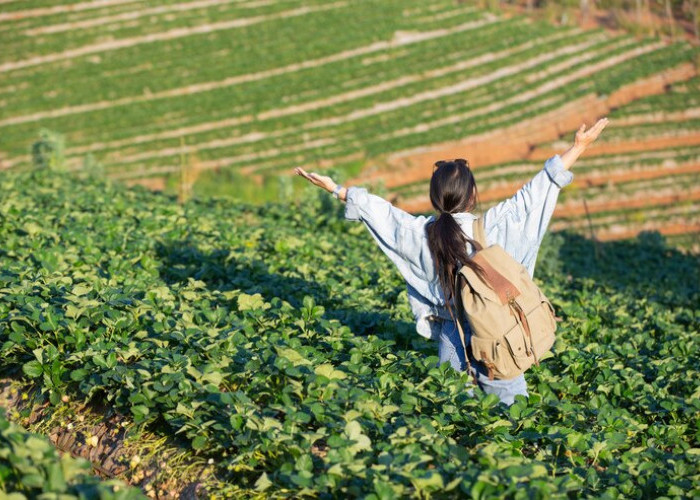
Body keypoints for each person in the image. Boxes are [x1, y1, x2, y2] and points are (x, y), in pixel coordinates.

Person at [294, 117, 609, 405]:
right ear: (472, 195)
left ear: (435, 198)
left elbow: (382, 214)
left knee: (454, 415)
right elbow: (536, 193)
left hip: (451, 337)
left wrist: (336, 189)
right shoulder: (493, 227)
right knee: (515, 418)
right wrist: (578, 147)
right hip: (499, 336)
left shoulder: (421, 234)